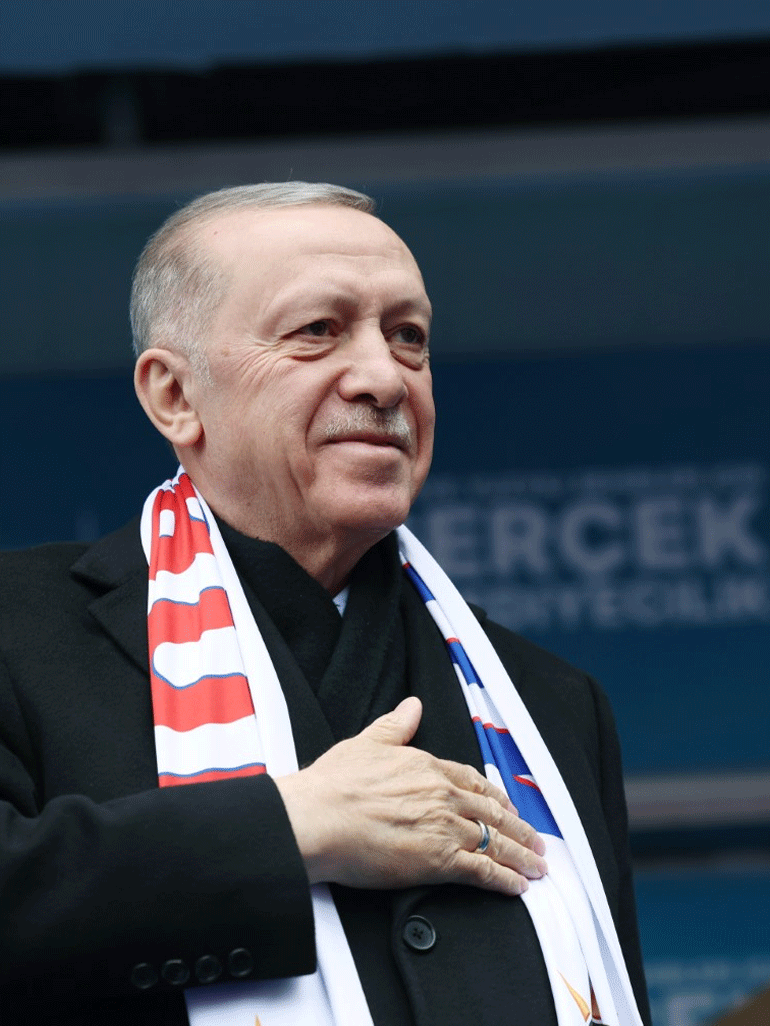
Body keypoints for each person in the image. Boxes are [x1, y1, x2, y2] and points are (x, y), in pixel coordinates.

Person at [0, 182, 651, 1026]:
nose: (384, 378)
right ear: (175, 396)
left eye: (408, 337)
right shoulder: (23, 633)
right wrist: (287, 828)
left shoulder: (545, 703)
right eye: (318, 330)